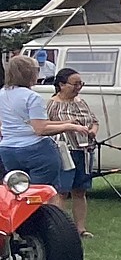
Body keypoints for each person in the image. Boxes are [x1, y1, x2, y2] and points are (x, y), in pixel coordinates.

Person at [0, 55, 79, 187]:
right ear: (30, 73)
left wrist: (64, 122)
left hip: (8, 149)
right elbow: (40, 129)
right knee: (44, 190)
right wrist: (69, 127)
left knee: (18, 189)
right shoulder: (32, 97)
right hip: (35, 149)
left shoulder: (2, 93)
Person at [45, 69, 99, 234]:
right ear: (61, 85)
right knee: (62, 191)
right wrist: (69, 124)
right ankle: (59, 229)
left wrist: (93, 131)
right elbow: (45, 126)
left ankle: (80, 229)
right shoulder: (52, 104)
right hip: (64, 151)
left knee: (80, 190)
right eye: (75, 84)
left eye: (80, 84)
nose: (78, 88)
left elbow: (94, 121)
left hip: (84, 151)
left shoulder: (81, 102)